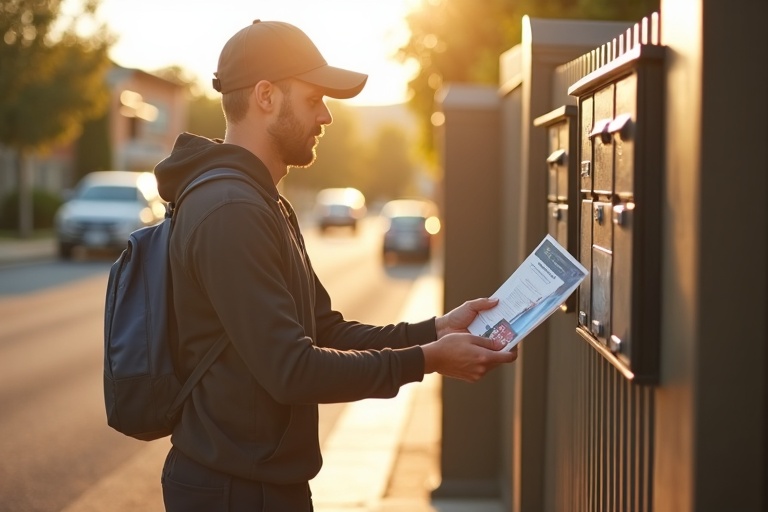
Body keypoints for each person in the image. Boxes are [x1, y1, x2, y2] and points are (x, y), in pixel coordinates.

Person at [154, 19, 518, 512]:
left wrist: (435, 331)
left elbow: (325, 331)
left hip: (260, 483)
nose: (325, 116)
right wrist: (428, 360)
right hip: (232, 492)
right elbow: (292, 370)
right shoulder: (230, 210)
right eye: (313, 99)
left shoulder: (259, 201)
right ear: (265, 96)